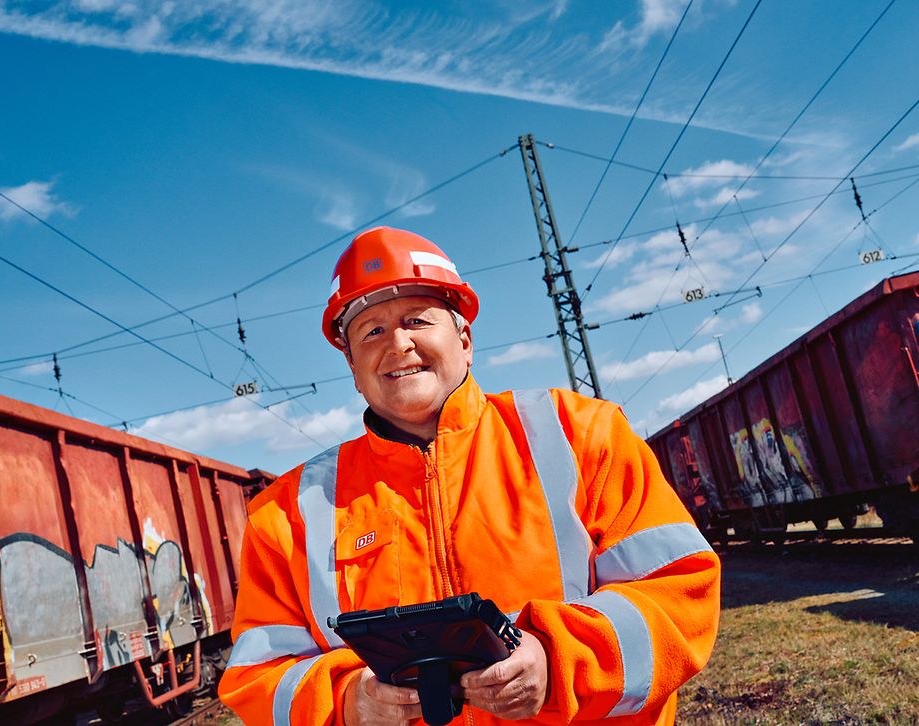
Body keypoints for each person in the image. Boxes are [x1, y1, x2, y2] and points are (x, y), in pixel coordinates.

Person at [218, 226, 721, 725]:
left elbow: (680, 593)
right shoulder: (287, 515)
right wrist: (349, 702)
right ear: (352, 364)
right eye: (371, 331)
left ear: (464, 340)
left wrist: (556, 660)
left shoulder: (581, 436)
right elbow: (258, 677)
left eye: (417, 319)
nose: (397, 344)